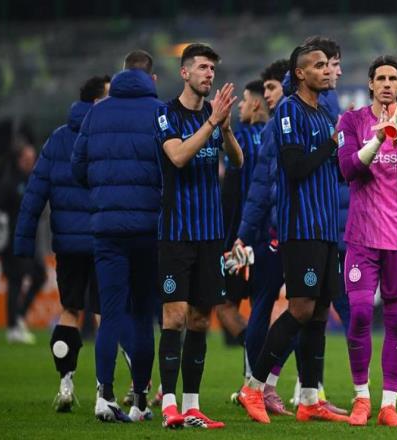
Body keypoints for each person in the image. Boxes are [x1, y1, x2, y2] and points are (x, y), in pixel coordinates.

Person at [239, 44, 348, 425]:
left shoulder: (323, 114)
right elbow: (295, 165)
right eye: (319, 65)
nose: (327, 71)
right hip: (300, 227)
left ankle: (310, 398)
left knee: (318, 312)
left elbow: (334, 171)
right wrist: (332, 143)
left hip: (325, 228)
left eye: (328, 65)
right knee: (300, 308)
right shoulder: (289, 110)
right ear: (300, 73)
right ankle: (253, 387)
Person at [337, 55, 397, 427]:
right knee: (361, 312)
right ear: (371, 84)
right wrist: (380, 136)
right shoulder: (352, 121)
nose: (387, 84)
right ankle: (361, 398)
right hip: (362, 239)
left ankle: (388, 405)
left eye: (393, 78)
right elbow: (349, 169)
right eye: (381, 78)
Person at [155, 43, 243, 429]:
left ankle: (192, 405)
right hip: (176, 232)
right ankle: (168, 404)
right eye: (203, 67)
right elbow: (177, 157)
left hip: (210, 234)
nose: (209, 74)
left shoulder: (214, 115)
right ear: (185, 72)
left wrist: (225, 129)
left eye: (212, 69)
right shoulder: (166, 114)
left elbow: (237, 161)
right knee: (174, 317)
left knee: (200, 320)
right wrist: (211, 124)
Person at [72, 50, 162, 422]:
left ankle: (105, 396)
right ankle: (140, 400)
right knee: (142, 316)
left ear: (121, 75)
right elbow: (172, 164)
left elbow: (78, 167)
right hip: (148, 230)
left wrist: (103, 193)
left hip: (107, 230)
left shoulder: (97, 113)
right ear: (152, 79)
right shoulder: (160, 112)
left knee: (110, 315)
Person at [14, 75, 110, 412]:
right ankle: (104, 389)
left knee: (70, 311)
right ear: (97, 101)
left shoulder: (57, 139)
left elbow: (34, 194)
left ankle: (66, 384)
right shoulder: (108, 135)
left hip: (68, 244)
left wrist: (23, 242)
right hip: (104, 240)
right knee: (105, 313)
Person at [227, 60, 290, 415]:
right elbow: (260, 188)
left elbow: (252, 188)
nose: (266, 96)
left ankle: (257, 382)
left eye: (271, 88)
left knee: (294, 309)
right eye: (263, 89)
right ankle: (260, 384)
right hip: (264, 235)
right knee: (256, 307)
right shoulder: (268, 132)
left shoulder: (260, 133)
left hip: (257, 232)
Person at [216, 80, 268, 353]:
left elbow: (230, 191)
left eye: (245, 100)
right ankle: (257, 366)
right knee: (260, 304)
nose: (240, 106)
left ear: (256, 104)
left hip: (239, 237)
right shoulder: (274, 135)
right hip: (267, 235)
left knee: (223, 304)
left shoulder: (241, 138)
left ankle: (253, 348)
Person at [0, 144, 47, 344]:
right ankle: (12, 327)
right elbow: (0, 211)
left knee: (40, 275)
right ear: (19, 159)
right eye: (27, 158)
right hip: (12, 240)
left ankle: (18, 316)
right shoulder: (10, 182)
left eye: (33, 158)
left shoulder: (31, 179)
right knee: (15, 281)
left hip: (29, 238)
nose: (31, 162)